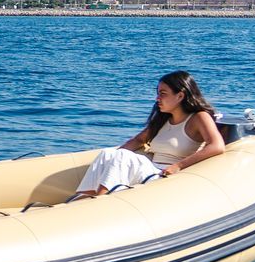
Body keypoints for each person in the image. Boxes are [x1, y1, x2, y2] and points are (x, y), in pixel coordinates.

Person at [72, 71, 226, 199]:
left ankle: (100, 202)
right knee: (108, 153)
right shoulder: (164, 118)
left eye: (163, 94)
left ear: (180, 96)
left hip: (166, 174)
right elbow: (139, 140)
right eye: (158, 93)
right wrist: (113, 158)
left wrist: (178, 166)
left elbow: (217, 146)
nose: (157, 98)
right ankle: (82, 199)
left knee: (122, 156)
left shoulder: (198, 117)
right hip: (151, 169)